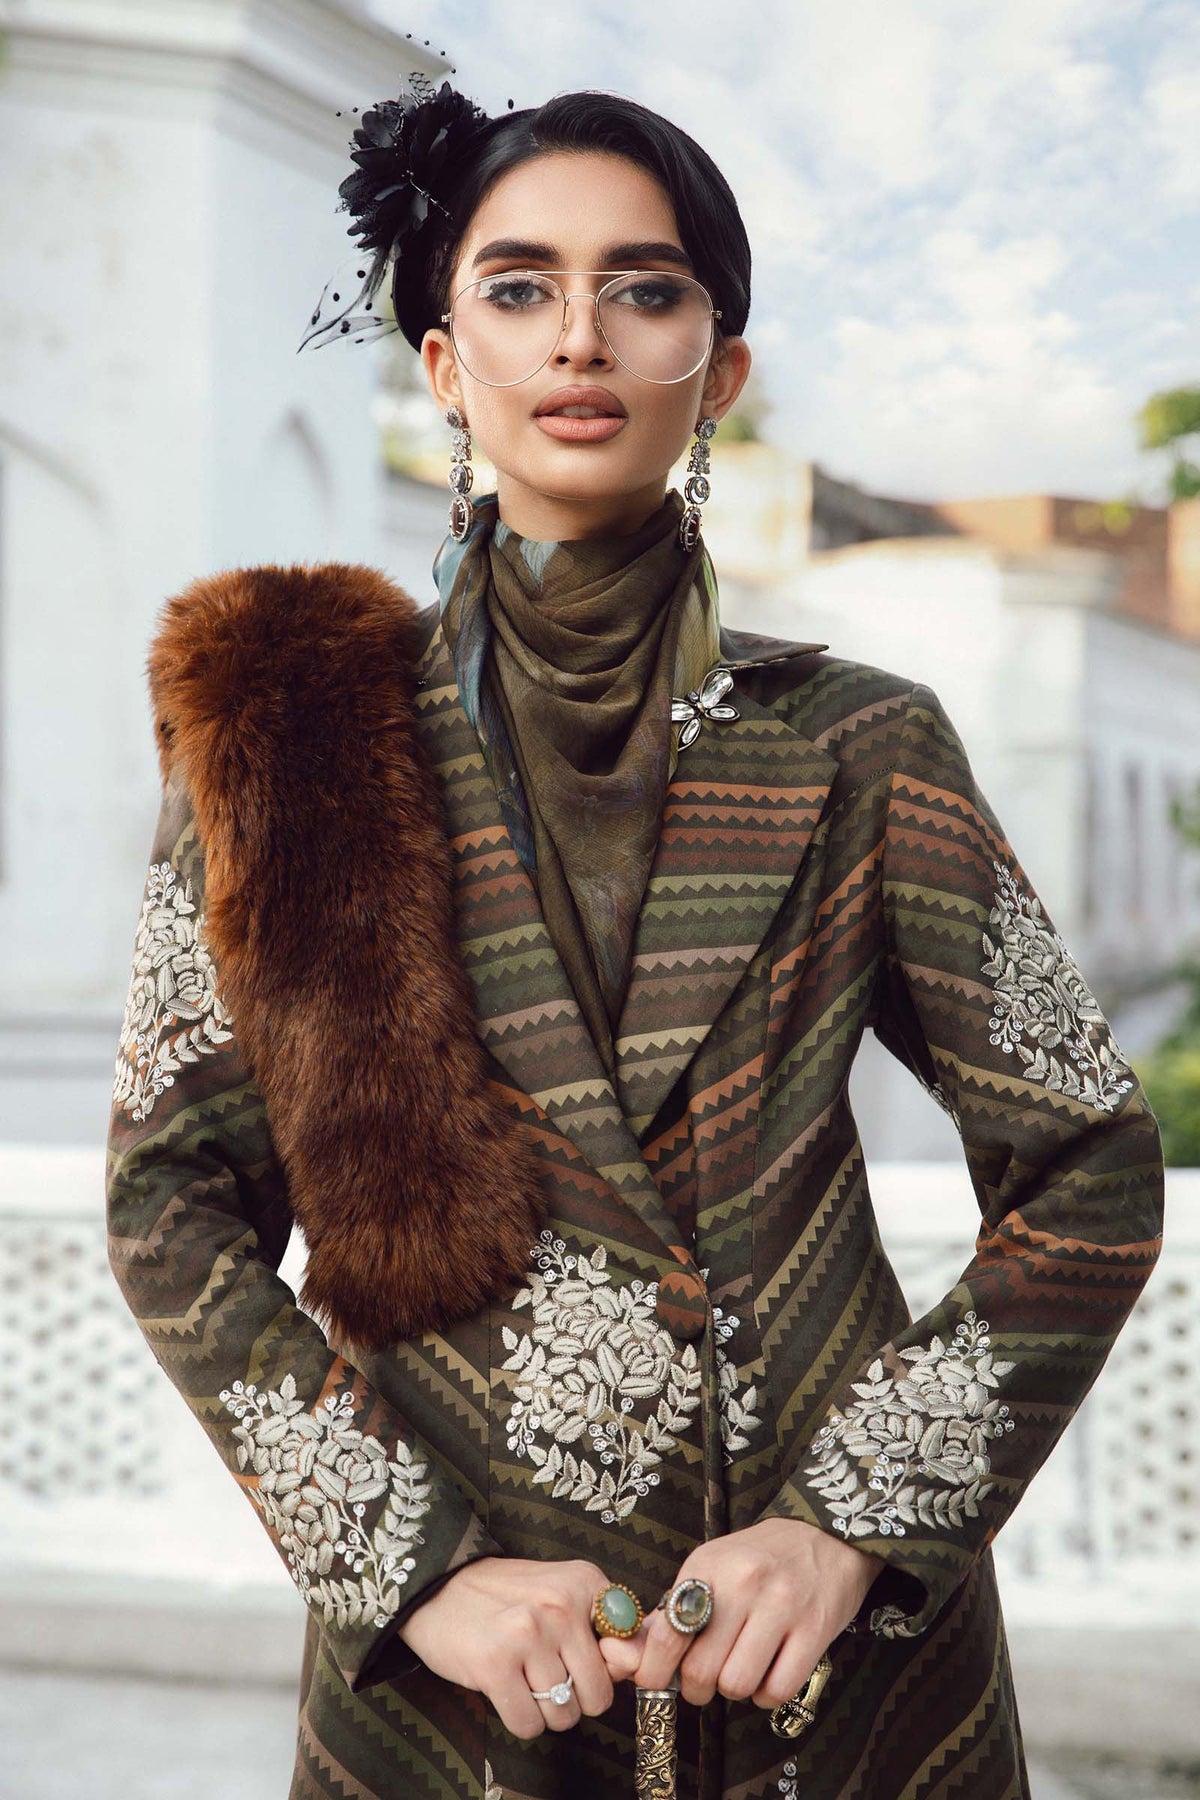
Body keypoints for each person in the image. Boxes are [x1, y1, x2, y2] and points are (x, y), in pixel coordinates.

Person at [106, 76, 1165, 1800]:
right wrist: (417, 1572)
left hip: (833, 1666)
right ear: (443, 363)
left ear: (720, 370)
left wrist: (852, 1526)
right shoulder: (292, 739)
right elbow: (169, 1205)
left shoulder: (863, 742)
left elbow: (1092, 1165)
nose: (579, 335)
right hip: (462, 1684)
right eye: (518, 286)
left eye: (645, 288)